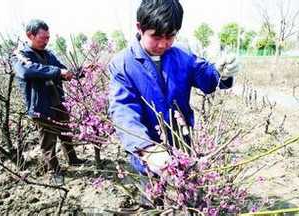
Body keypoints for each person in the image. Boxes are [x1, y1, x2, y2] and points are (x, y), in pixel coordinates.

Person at [109, 0, 240, 176]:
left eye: (170, 36)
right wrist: (147, 149)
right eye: (156, 37)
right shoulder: (123, 64)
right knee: (152, 195)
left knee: (184, 194)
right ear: (139, 28)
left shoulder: (183, 55)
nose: (163, 44)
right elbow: (123, 110)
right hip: (147, 151)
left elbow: (207, 79)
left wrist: (222, 73)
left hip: (182, 143)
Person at [12, 19, 86, 183]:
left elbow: (63, 70)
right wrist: (58, 72)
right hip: (40, 106)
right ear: (30, 35)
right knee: (47, 142)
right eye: (43, 37)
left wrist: (81, 71)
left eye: (48, 37)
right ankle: (55, 172)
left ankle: (73, 159)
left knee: (66, 133)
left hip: (58, 101)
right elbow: (27, 70)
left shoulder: (49, 54)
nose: (46, 41)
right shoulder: (20, 55)